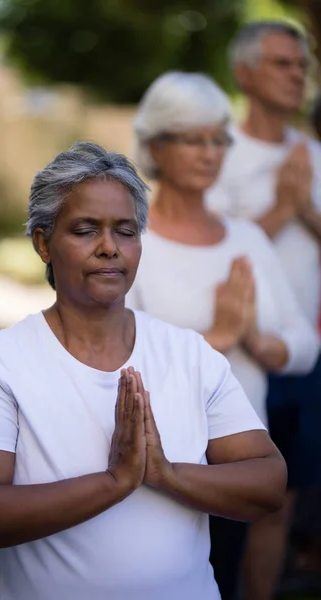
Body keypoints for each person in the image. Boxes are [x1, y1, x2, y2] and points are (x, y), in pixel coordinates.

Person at [0, 142, 287, 600]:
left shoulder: (189, 355)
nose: (109, 248)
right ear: (43, 243)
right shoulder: (1, 362)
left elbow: (267, 481)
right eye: (85, 230)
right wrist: (113, 482)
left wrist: (164, 473)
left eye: (125, 231)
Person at [128, 72, 319, 600]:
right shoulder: (130, 245)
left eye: (218, 139)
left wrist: (258, 341)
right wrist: (217, 336)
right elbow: (115, 361)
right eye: (192, 138)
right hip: (155, 460)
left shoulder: (247, 239)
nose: (209, 152)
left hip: (235, 459)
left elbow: (304, 344)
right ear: (154, 146)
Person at [206, 21, 321, 600]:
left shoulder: (315, 155)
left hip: (302, 361)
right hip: (230, 357)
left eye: (301, 64)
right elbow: (207, 248)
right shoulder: (211, 152)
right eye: (282, 63)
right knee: (223, 502)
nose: (297, 74)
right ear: (244, 74)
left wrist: (306, 211)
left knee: (280, 501)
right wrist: (282, 208)